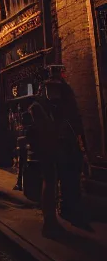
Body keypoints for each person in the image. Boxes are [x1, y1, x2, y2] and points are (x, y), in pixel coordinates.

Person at [30, 65, 88, 236]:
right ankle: (50, 221)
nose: (53, 91)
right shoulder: (39, 106)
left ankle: (67, 211)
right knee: (50, 182)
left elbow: (75, 123)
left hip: (64, 147)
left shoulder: (63, 104)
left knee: (65, 180)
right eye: (50, 87)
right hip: (49, 149)